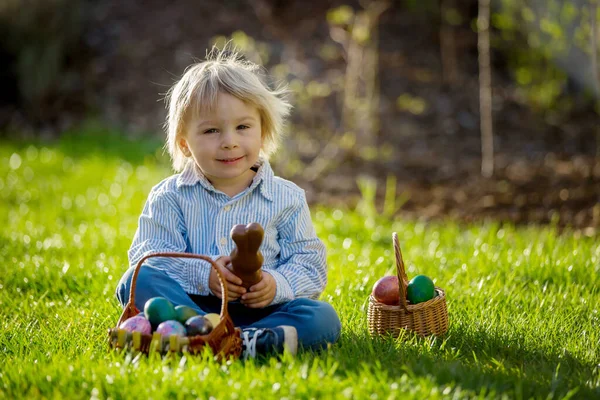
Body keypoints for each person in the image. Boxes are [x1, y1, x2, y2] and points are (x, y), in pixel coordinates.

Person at [115, 47, 341, 359]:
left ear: (262, 134)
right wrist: (204, 275)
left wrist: (276, 284)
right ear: (185, 143)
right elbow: (149, 257)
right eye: (211, 130)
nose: (229, 141)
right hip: (192, 308)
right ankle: (205, 333)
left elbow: (309, 264)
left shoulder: (287, 198)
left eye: (243, 127)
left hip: (262, 313)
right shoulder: (170, 196)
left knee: (321, 317)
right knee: (136, 281)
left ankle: (242, 339)